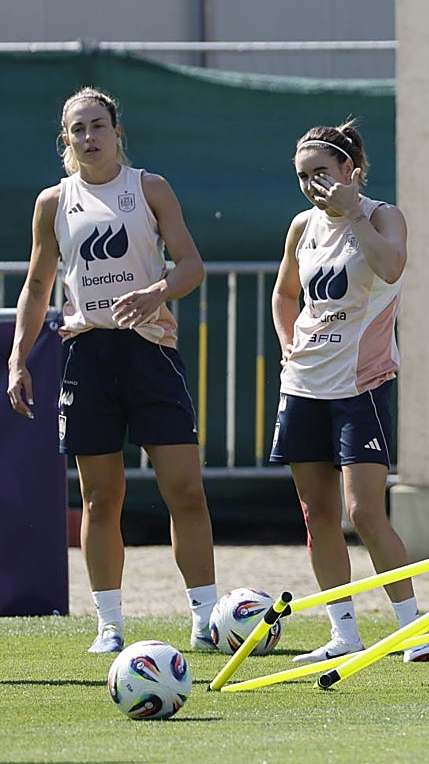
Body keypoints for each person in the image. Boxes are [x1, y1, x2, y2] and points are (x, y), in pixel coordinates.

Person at [5, 87, 218, 654]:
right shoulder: (53, 202)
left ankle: (204, 618)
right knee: (101, 497)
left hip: (149, 351)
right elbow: (36, 285)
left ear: (117, 132)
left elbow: (191, 265)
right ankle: (110, 625)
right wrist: (18, 357)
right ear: (65, 139)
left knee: (185, 491)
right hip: (87, 356)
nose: (89, 137)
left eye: (98, 125)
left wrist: (155, 292)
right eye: (78, 129)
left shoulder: (149, 188)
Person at [270, 122, 429, 664]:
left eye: (321, 172)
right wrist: (288, 344)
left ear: (350, 171)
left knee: (364, 512)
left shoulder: (382, 215)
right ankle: (343, 634)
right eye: (302, 175)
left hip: (360, 386)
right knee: (316, 514)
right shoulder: (301, 227)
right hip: (304, 386)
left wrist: (354, 210)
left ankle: (412, 629)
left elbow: (391, 265)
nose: (312, 184)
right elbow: (285, 295)